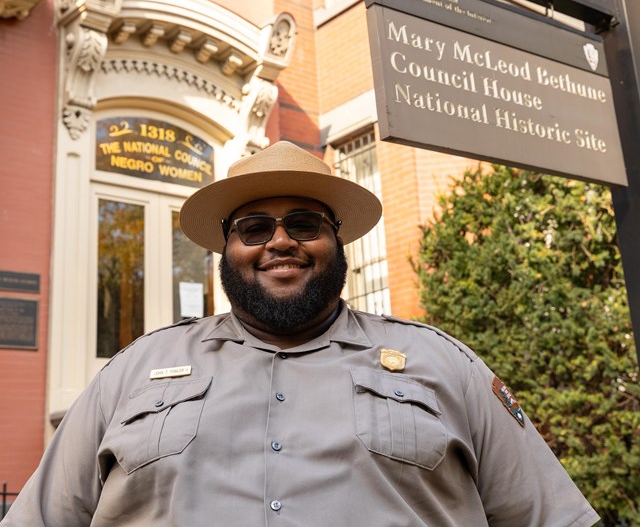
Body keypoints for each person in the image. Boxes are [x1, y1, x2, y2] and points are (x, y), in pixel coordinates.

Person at [3, 140, 599, 526]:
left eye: (305, 224)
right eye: (255, 227)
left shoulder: (444, 364)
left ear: (338, 243)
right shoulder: (132, 371)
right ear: (227, 250)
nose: (281, 242)